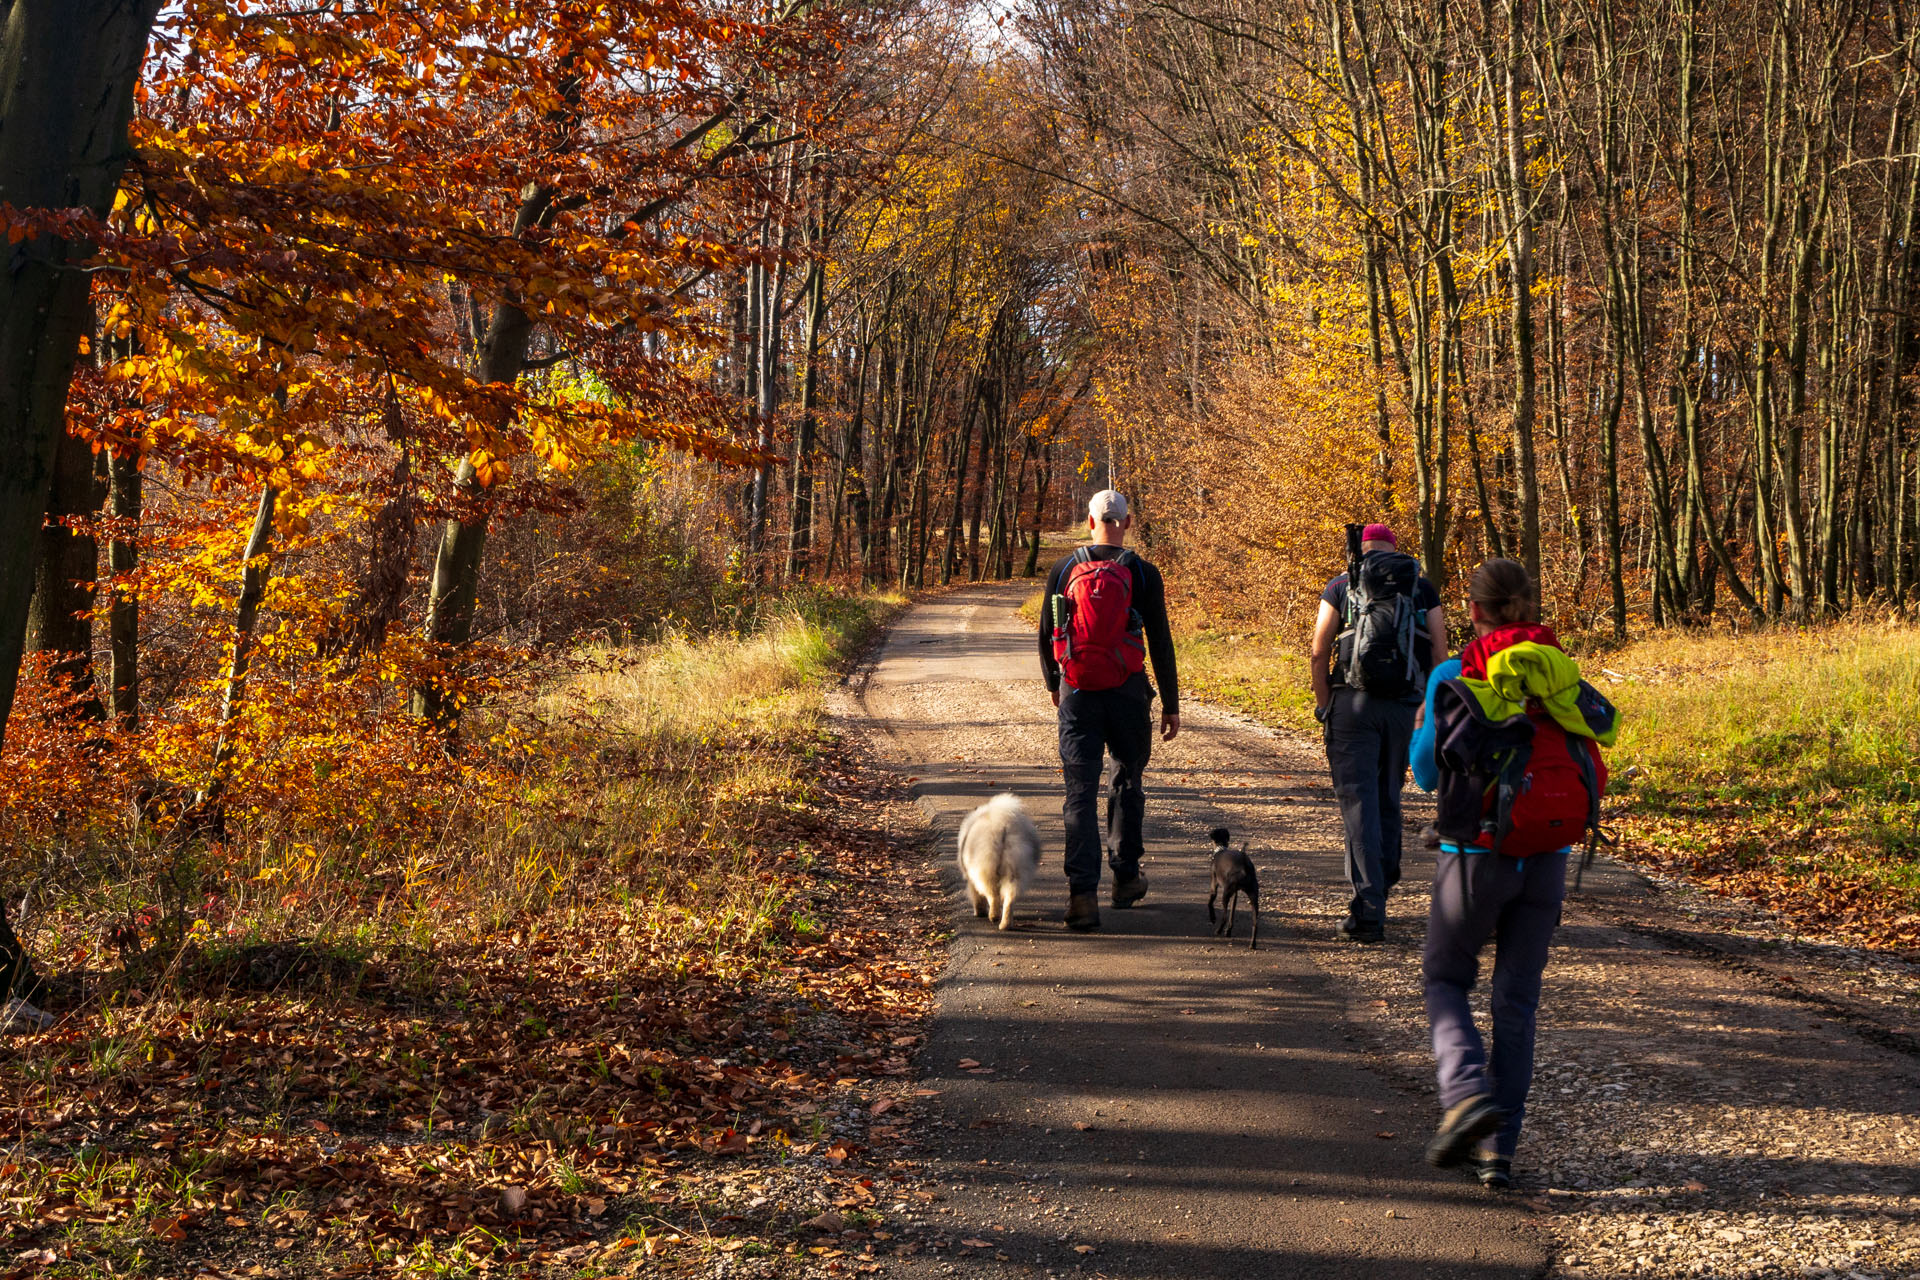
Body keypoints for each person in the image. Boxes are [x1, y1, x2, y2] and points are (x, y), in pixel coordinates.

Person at [1413, 558, 1618, 1190]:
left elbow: (1425, 771)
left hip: (1477, 860)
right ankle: (1499, 1150)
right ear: (1531, 607)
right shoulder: (1562, 678)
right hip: (1549, 859)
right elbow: (1595, 751)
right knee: (1516, 1003)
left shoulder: (1457, 674)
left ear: (1473, 611)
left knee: (1446, 979)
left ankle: (1468, 1092)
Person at [1038, 490, 1180, 932]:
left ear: (1089, 519)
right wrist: (1171, 704)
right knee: (1127, 781)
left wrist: (1056, 686)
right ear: (1128, 521)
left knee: (1079, 792)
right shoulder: (1142, 572)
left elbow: (1045, 635)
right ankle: (1125, 878)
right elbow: (1160, 641)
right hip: (1127, 693)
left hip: (1077, 691)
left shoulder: (1064, 568)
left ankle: (1082, 897)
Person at [1308, 523, 1446, 943]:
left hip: (1351, 705)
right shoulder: (1421, 589)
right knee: (1388, 794)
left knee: (1358, 803)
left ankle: (1369, 908)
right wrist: (1428, 708)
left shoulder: (1341, 585)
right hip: (1406, 707)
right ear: (1396, 548)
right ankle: (1384, 873)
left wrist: (1324, 704)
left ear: (1361, 549)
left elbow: (1318, 651)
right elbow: (1440, 654)